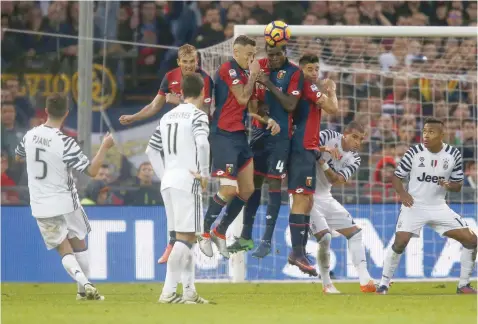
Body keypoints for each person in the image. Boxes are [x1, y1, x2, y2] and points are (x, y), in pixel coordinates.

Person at [15, 94, 115, 300]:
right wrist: (105, 146)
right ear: (67, 114)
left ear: (45, 111)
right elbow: (92, 171)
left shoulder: (30, 135)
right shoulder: (65, 143)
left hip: (41, 203)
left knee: (64, 249)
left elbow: (18, 155)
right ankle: (84, 289)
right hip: (66, 201)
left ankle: (84, 285)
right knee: (79, 244)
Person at [120, 43, 213, 264]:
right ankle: (180, 238)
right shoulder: (169, 77)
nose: (190, 66)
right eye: (186, 62)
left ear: (197, 62)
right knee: (180, 192)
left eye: (193, 62)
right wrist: (134, 117)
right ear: (179, 62)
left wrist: (178, 101)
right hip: (175, 133)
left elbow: (205, 111)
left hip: (194, 132)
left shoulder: (204, 80)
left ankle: (199, 232)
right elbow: (155, 106)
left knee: (192, 186)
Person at [377, 118, 477, 294]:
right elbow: (396, 176)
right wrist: (403, 194)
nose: (426, 135)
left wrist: (448, 184)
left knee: (471, 240)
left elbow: (458, 185)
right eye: (424, 131)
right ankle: (383, 284)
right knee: (400, 242)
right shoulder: (414, 151)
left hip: (438, 206)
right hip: (414, 204)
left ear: (441, 135)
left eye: (431, 132)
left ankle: (463, 285)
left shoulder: (453, 154)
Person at [198, 35, 274, 258]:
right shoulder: (228, 69)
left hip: (240, 135)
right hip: (223, 134)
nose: (252, 58)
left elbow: (247, 106)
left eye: (254, 55)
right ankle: (204, 234)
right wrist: (252, 77)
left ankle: (219, 232)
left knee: (248, 189)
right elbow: (241, 98)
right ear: (236, 52)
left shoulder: (243, 73)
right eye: (249, 54)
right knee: (229, 189)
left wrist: (267, 114)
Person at [228, 44, 302, 258]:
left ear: (285, 53)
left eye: (278, 54)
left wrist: (267, 82)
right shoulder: (258, 66)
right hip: (260, 134)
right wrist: (261, 108)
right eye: (270, 55)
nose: (274, 58)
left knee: (274, 183)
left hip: (281, 138)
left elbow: (290, 105)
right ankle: (245, 236)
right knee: (252, 185)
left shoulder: (294, 73)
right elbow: (254, 105)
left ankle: (267, 240)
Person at [148, 73, 211, 304]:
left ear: (182, 93)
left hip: (169, 181)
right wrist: (204, 173)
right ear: (203, 92)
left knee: (185, 237)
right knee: (185, 238)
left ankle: (189, 292)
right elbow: (202, 143)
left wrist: (166, 175)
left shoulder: (167, 117)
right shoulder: (198, 116)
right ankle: (168, 293)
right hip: (188, 180)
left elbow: (151, 151)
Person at [287, 54, 339, 276]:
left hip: (308, 149)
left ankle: (299, 250)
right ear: (301, 70)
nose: (314, 72)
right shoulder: (307, 86)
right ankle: (296, 252)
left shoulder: (307, 88)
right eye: (309, 68)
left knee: (307, 201)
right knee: (301, 199)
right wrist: (332, 91)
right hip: (300, 150)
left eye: (316, 68)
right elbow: (333, 109)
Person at [312, 124, 376, 294]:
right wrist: (323, 149)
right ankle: (327, 284)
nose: (358, 142)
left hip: (325, 196)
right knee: (325, 238)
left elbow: (337, 180)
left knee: (355, 233)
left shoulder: (355, 158)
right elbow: (307, 147)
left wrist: (322, 162)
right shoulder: (327, 136)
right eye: (355, 137)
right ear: (345, 134)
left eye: (361, 139)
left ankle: (365, 279)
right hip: (306, 195)